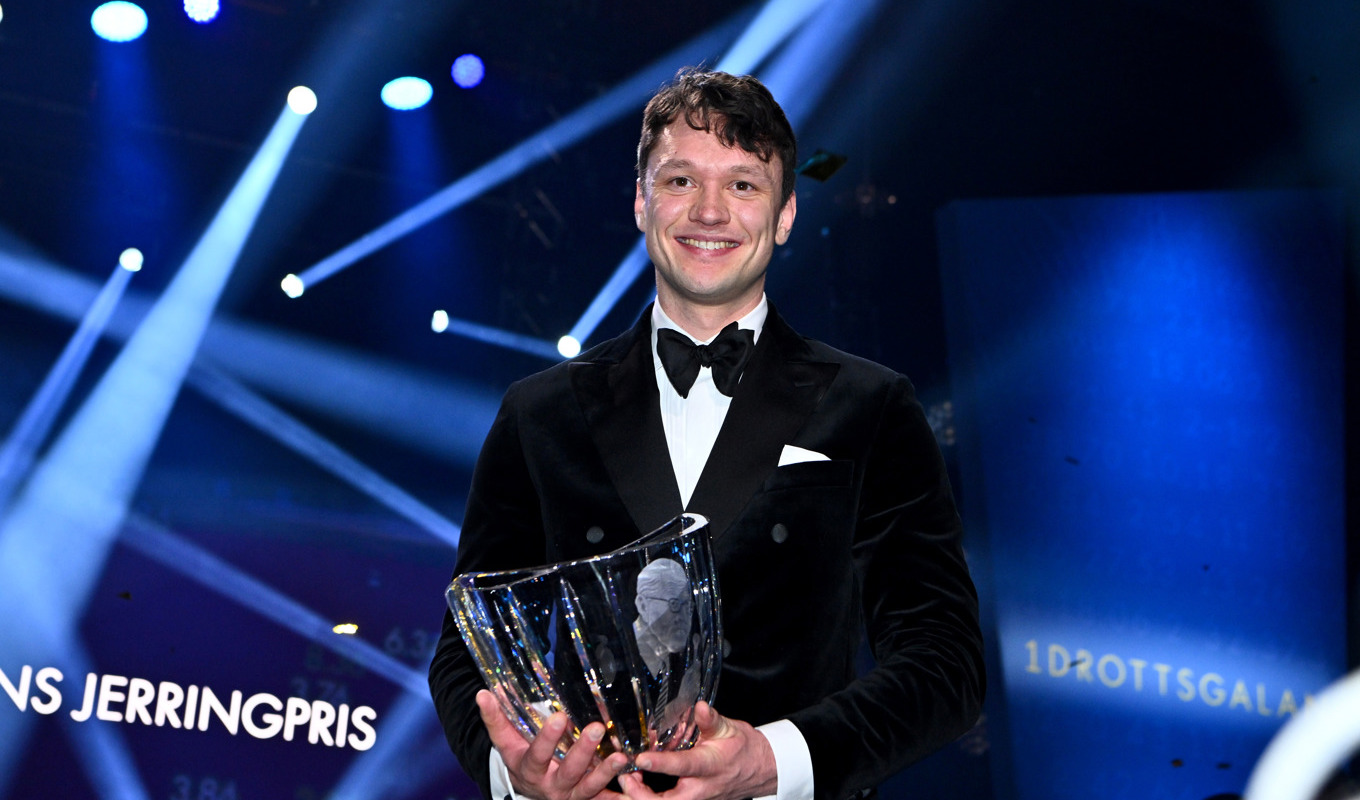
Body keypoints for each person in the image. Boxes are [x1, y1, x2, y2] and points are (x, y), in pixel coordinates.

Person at [428, 67, 984, 800]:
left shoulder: (872, 406)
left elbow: (946, 661)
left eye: (744, 184)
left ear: (784, 215)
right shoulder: (539, 412)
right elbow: (468, 652)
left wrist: (774, 759)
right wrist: (518, 769)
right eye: (681, 180)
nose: (710, 211)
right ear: (641, 202)